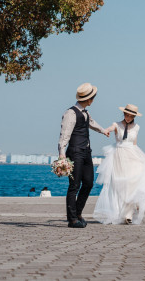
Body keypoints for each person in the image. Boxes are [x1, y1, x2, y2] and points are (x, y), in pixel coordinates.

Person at [58, 82, 110, 229]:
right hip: (74, 152)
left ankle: (78, 213)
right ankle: (72, 219)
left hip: (86, 152)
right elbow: (64, 135)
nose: (94, 99)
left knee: (88, 183)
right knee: (74, 185)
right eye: (93, 97)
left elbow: (91, 123)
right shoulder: (71, 113)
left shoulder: (85, 112)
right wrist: (62, 154)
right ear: (89, 99)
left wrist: (103, 130)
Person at [94, 104, 145, 225]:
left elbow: (134, 143)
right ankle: (117, 212)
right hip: (119, 156)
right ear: (124, 114)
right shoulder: (117, 124)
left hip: (132, 155)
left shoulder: (137, 127)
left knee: (132, 183)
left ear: (134, 116)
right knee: (120, 184)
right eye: (126, 115)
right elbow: (110, 128)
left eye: (131, 116)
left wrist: (140, 158)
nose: (128, 117)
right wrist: (105, 131)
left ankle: (128, 214)